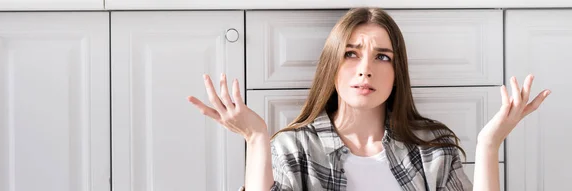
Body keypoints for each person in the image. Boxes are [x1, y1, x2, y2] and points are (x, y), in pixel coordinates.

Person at [187, 7, 551, 191]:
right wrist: (255, 139)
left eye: (382, 56)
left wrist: (489, 145)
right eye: (350, 54)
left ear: (397, 72)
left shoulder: (433, 150)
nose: (365, 69)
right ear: (331, 66)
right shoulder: (292, 149)